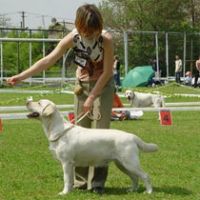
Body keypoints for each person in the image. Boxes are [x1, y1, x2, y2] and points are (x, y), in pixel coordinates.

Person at [6, 4, 114, 195]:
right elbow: (48, 60)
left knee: (101, 135)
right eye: (86, 31)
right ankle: (80, 182)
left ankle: (98, 182)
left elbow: (107, 72)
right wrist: (21, 76)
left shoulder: (106, 39)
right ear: (78, 26)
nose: (90, 35)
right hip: (82, 86)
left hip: (102, 87)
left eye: (93, 31)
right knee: (79, 134)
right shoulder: (72, 38)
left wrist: (92, 97)